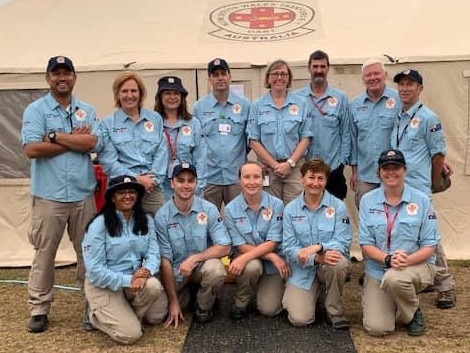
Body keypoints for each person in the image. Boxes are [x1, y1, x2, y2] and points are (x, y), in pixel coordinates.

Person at [21, 56, 98, 333]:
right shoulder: (35, 110)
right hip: (48, 197)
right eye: (56, 73)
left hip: (82, 195)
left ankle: (93, 304)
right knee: (44, 254)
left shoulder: (86, 109)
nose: (62, 78)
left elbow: (90, 143)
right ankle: (39, 308)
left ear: (75, 77)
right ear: (48, 78)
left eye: (67, 73)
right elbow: (31, 149)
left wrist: (53, 137)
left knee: (88, 253)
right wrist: (71, 140)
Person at [391, 69, 455, 309]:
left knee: (431, 236)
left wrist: (433, 181)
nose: (405, 88)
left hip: (419, 187)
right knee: (410, 234)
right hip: (399, 186)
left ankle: (445, 286)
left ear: (420, 89)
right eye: (402, 84)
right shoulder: (398, 117)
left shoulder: (429, 117)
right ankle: (427, 276)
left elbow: (438, 153)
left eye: (410, 84)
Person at [359, 149, 439, 336]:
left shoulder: (422, 200)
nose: (391, 172)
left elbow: (430, 245)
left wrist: (405, 261)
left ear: (405, 170)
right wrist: (388, 260)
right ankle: (400, 302)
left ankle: (412, 312)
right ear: (378, 172)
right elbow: (365, 243)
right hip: (379, 268)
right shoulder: (367, 201)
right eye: (386, 168)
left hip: (415, 265)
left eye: (396, 167)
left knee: (396, 278)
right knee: (377, 328)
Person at [82, 175, 167, 344]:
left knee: (156, 310)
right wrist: (130, 279)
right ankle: (95, 315)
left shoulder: (146, 220)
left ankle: (127, 315)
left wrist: (146, 271)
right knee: (131, 335)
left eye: (131, 192)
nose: (127, 196)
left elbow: (153, 253)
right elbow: (95, 271)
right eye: (121, 192)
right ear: (112, 198)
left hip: (134, 281)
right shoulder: (99, 225)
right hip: (105, 284)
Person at [155, 163, 231, 326]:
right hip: (176, 272)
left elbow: (225, 246)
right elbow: (165, 260)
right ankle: (189, 294)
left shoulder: (209, 209)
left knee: (215, 270)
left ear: (196, 183)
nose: (186, 185)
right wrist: (173, 301)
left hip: (200, 267)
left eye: (191, 180)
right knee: (158, 315)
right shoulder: (162, 216)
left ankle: (204, 306)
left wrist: (196, 258)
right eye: (181, 180)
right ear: (172, 183)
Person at [282, 159, 351, 329]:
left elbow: (344, 242)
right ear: (302, 179)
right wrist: (316, 258)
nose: (315, 183)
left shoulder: (338, 207)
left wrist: (321, 248)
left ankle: (334, 310)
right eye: (311, 178)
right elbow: (289, 248)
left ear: (326, 181)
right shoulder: (290, 210)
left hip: (329, 262)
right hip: (303, 268)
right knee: (300, 320)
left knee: (338, 262)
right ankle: (309, 293)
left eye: (320, 179)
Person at [224, 161, 290, 320]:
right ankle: (241, 301)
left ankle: (280, 287)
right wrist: (271, 256)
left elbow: (273, 242)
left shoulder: (277, 205)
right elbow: (239, 244)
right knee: (252, 267)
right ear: (240, 180)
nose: (252, 182)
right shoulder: (230, 209)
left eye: (256, 177)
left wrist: (271, 256)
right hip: (254, 261)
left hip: (272, 265)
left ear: (263, 179)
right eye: (247, 177)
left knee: (269, 309)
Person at [99, 71, 169, 215]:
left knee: (161, 233)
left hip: (152, 189)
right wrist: (136, 180)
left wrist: (152, 180)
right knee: (123, 233)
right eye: (124, 91)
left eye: (133, 91)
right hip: (122, 189)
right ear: (117, 94)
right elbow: (109, 162)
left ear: (140, 93)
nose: (129, 95)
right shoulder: (107, 124)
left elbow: (162, 152)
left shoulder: (155, 119)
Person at [248, 59, 313, 204]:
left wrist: (289, 163)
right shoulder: (257, 105)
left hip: (294, 168)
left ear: (289, 78)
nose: (279, 78)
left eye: (283, 74)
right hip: (268, 169)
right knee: (270, 212)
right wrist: (275, 165)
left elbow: (306, 137)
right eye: (275, 74)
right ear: (268, 78)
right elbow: (253, 140)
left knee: (295, 212)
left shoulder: (301, 103)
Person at [192, 58, 251, 210]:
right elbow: (196, 141)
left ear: (230, 76)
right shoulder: (199, 107)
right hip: (209, 176)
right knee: (207, 221)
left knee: (239, 221)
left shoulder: (244, 105)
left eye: (223, 74)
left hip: (236, 177)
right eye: (215, 74)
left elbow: (250, 139)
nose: (220, 78)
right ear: (209, 79)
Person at [294, 50, 351, 200]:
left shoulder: (340, 98)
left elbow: (346, 132)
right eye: (315, 66)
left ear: (328, 68)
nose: (319, 70)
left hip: (332, 168)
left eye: (322, 66)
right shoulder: (297, 98)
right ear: (309, 68)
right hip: (305, 168)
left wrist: (341, 163)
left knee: (334, 213)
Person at [349, 59, 400, 207]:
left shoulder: (399, 99)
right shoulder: (355, 105)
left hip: (393, 173)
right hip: (365, 175)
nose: (373, 78)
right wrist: (354, 172)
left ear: (385, 74)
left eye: (376, 73)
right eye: (368, 75)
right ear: (363, 79)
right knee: (368, 216)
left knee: (394, 215)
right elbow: (353, 139)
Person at [154, 76, 205, 200]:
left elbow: (201, 157)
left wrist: (199, 186)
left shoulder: (193, 123)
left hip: (188, 187)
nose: (172, 97)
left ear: (182, 97)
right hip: (161, 188)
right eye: (167, 93)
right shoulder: (152, 123)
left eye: (176, 93)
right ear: (160, 97)